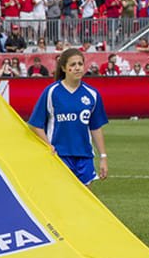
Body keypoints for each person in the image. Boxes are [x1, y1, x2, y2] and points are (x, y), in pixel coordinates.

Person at [28, 48, 109, 186]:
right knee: (61, 201)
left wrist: (103, 157)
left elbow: (95, 127)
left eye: (80, 64)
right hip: (60, 156)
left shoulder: (92, 94)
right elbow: (35, 124)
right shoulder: (52, 92)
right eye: (72, 65)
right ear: (64, 68)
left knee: (83, 202)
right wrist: (48, 145)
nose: (77, 68)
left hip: (84, 156)